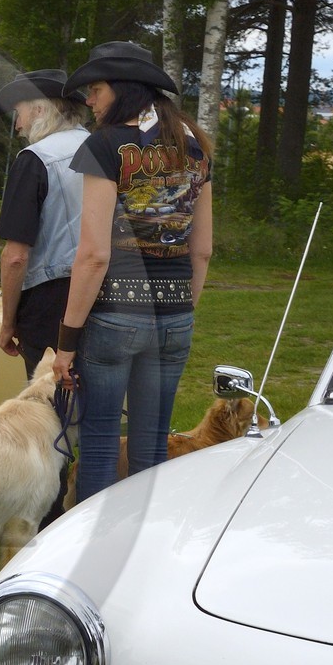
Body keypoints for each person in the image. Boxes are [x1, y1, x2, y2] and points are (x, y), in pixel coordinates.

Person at [52, 41, 214, 505]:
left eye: (97, 90)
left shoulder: (103, 146)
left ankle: (93, 559)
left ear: (122, 91)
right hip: (175, 315)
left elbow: (94, 255)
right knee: (152, 446)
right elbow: (201, 250)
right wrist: (180, 311)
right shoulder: (196, 150)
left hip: (114, 316)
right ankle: (145, 553)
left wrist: (66, 341)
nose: (90, 100)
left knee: (101, 444)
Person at [0, 69, 92, 379]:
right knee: (99, 406)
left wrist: (8, 322)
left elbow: (15, 256)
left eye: (19, 111)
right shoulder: (104, 150)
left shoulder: (35, 159)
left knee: (51, 411)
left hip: (50, 304)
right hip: (104, 294)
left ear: (39, 109)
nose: (17, 123)